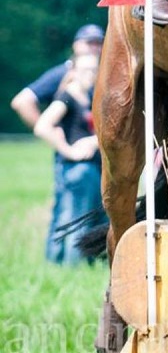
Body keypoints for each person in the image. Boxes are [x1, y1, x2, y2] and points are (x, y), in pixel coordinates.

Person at [33, 52, 105, 264]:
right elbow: (42, 126)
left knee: (88, 218)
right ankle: (72, 268)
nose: (89, 75)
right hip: (78, 170)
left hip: (92, 169)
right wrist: (68, 150)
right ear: (73, 71)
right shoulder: (67, 96)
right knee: (77, 221)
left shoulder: (89, 96)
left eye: (94, 70)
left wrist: (94, 141)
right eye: (84, 70)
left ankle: (71, 265)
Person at [10, 23, 105, 129]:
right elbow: (22, 101)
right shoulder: (61, 73)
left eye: (99, 43)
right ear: (76, 45)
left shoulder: (103, 76)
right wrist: (48, 132)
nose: (95, 48)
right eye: (90, 43)